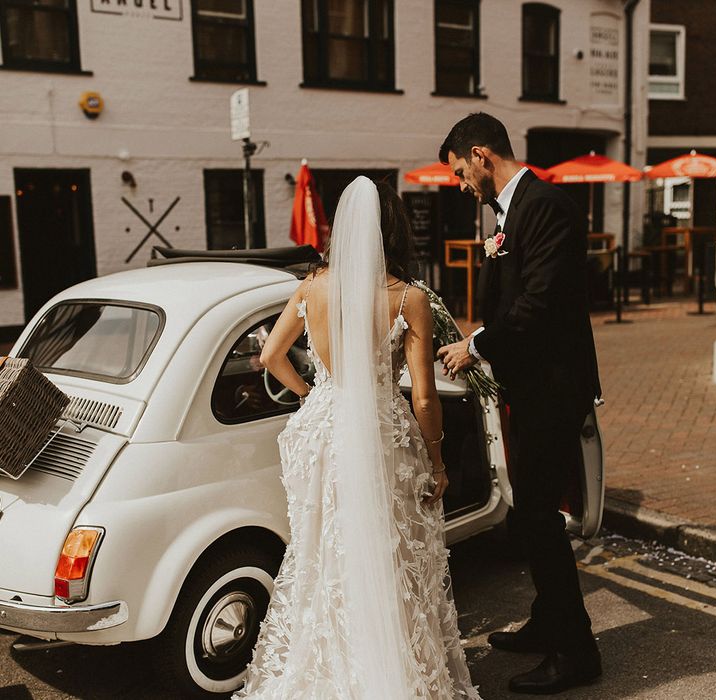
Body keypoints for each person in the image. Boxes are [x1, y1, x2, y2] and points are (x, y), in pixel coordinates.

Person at [234, 177, 481, 699]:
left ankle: (330, 668)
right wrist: (438, 463)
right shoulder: (407, 298)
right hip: (382, 432)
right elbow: (423, 398)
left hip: (323, 428)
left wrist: (312, 394)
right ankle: (392, 669)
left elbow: (271, 358)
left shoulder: (310, 287)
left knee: (327, 553)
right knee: (392, 558)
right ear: (395, 234)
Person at [437, 113, 602, 695]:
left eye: (460, 172)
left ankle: (575, 650)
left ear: (482, 155)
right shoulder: (508, 212)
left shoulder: (546, 206)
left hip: (554, 388)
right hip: (529, 386)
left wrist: (474, 346)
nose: (460, 185)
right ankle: (548, 621)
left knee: (536, 515)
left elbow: (536, 304)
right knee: (529, 513)